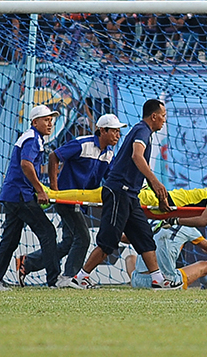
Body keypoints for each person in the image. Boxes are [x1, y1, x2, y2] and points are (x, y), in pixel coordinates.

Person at [69, 99, 180, 290]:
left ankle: (158, 279)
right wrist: (154, 181)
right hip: (119, 191)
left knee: (144, 237)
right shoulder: (142, 130)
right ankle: (81, 277)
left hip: (131, 195)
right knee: (108, 242)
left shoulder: (145, 132)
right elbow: (137, 156)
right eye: (162, 116)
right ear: (154, 116)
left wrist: (156, 192)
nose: (164, 120)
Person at [17, 114, 123, 287]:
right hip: (67, 199)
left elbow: (110, 177)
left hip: (80, 202)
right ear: (102, 131)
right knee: (82, 237)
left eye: (119, 132)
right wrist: (55, 189)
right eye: (115, 131)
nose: (118, 136)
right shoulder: (82, 143)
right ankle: (69, 277)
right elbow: (54, 157)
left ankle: (28, 263)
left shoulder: (109, 153)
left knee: (68, 242)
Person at [0, 105, 62, 290]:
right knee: (47, 232)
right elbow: (26, 164)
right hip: (20, 195)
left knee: (10, 238)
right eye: (46, 119)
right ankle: (54, 279)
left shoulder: (32, 137)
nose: (50, 123)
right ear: (34, 122)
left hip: (14, 194)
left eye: (51, 120)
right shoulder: (33, 138)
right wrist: (40, 190)